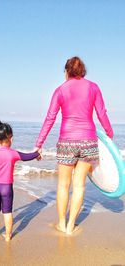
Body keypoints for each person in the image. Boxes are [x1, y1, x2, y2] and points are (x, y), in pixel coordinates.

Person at [35, 56, 113, 235]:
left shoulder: (60, 90)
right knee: (79, 185)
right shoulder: (93, 87)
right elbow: (101, 113)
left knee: (63, 185)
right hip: (88, 141)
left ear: (67, 71)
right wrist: (109, 133)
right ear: (83, 70)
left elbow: (50, 118)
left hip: (67, 142)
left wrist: (39, 144)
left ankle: (62, 224)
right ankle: (71, 226)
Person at [0, 119, 41, 241]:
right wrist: (37, 153)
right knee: (7, 212)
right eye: (11, 138)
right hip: (7, 188)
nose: (12, 140)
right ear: (9, 138)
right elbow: (27, 157)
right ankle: (7, 235)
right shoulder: (13, 153)